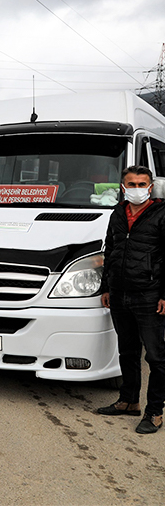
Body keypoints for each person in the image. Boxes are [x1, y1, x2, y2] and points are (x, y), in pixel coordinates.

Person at [97, 165, 165, 434]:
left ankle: (154, 411)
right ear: (123, 187)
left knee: (157, 357)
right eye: (131, 184)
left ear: (150, 186)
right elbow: (110, 250)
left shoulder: (161, 214)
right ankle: (128, 401)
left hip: (149, 295)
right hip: (119, 293)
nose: (136, 189)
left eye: (141, 184)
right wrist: (106, 287)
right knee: (127, 351)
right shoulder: (117, 213)